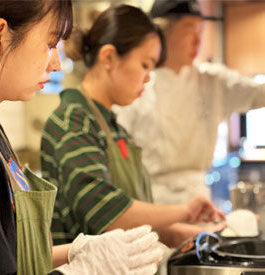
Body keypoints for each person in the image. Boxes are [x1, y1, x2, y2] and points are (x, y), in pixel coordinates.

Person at [0, 1, 164, 275]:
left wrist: (73, 253)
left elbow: (1, 253)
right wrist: (83, 271)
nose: (57, 63)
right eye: (50, 44)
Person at [40, 4, 225, 250]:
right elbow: (107, 214)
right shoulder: (73, 121)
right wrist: (185, 210)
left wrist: (197, 234)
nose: (148, 77)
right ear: (108, 58)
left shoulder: (113, 126)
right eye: (145, 65)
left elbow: (133, 226)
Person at [114, 0, 265, 205]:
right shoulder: (139, 83)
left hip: (200, 197)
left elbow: (258, 94)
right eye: (189, 30)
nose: (198, 41)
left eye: (201, 31)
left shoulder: (212, 81)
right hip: (150, 200)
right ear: (162, 33)